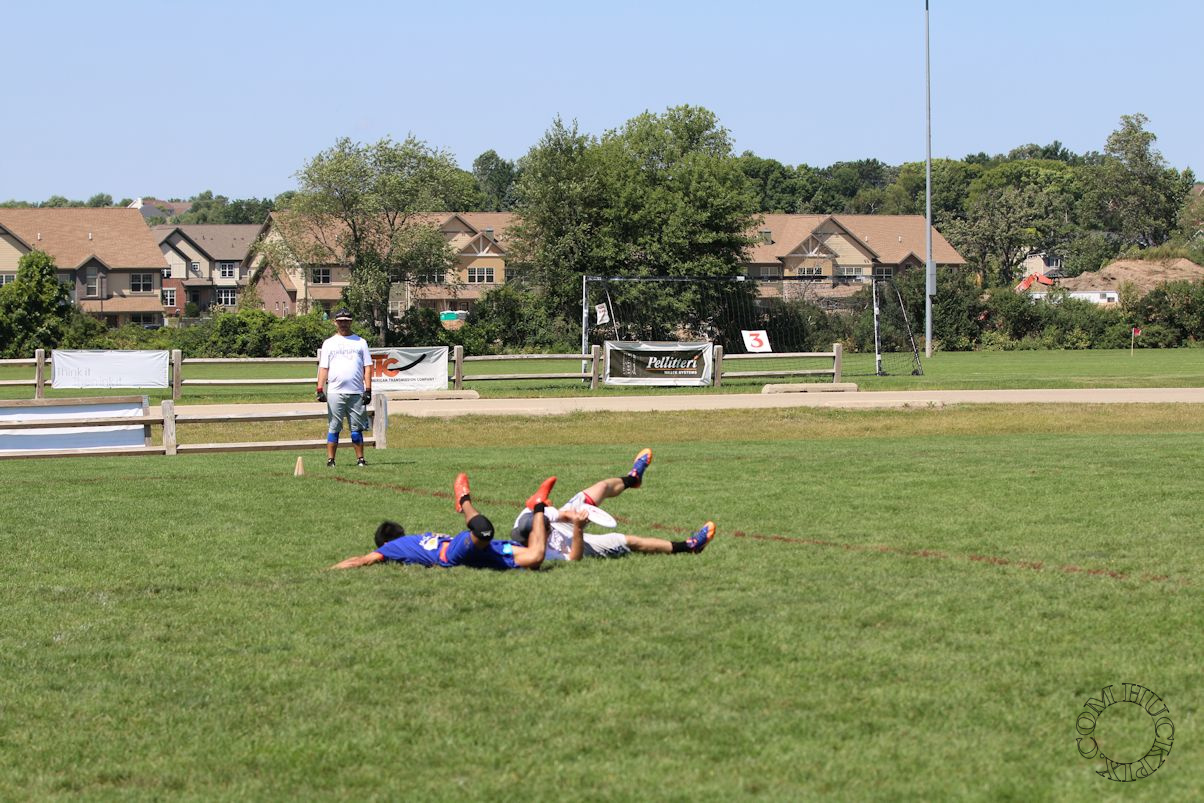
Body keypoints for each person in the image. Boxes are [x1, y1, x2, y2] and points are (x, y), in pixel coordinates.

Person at [331, 474, 586, 571]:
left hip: (455, 550)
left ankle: (463, 500)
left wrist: (328, 571)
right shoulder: (409, 542)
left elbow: (361, 560)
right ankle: (538, 504)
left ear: (384, 543)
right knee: (536, 559)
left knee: (484, 530)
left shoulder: (389, 548)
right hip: (468, 553)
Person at [510, 449, 716, 560]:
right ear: (536, 537)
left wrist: (573, 516)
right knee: (627, 541)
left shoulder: (529, 516)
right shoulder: (542, 554)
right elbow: (574, 558)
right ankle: (689, 547)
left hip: (563, 527)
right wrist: (578, 529)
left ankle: (632, 479)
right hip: (573, 544)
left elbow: (559, 515)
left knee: (600, 488)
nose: (547, 525)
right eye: (545, 528)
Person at [316, 308, 373, 468]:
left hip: (356, 392)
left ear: (351, 322)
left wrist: (368, 390)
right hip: (335, 392)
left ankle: (360, 459)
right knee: (334, 427)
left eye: (346, 321)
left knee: (356, 429)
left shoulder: (361, 342)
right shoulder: (329, 343)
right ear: (335, 323)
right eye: (340, 321)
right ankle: (331, 460)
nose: (343, 324)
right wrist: (320, 389)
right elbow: (324, 368)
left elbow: (367, 367)